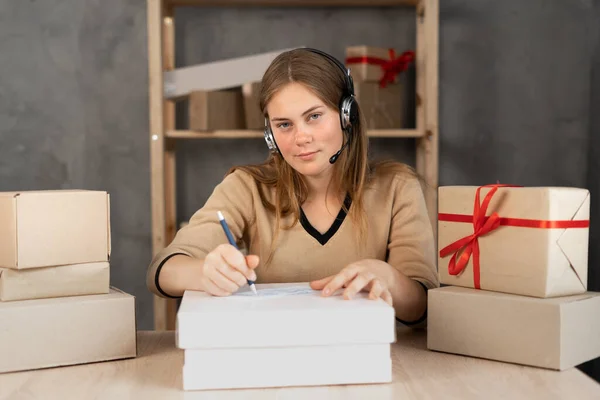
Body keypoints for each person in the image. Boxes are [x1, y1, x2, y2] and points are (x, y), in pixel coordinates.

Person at [146, 47, 439, 326]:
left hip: (372, 359)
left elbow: (422, 308)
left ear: (346, 116)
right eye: (284, 124)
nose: (301, 137)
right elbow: (161, 272)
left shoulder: (398, 187)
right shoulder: (246, 187)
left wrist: (389, 278)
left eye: (314, 116)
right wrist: (203, 272)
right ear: (270, 134)